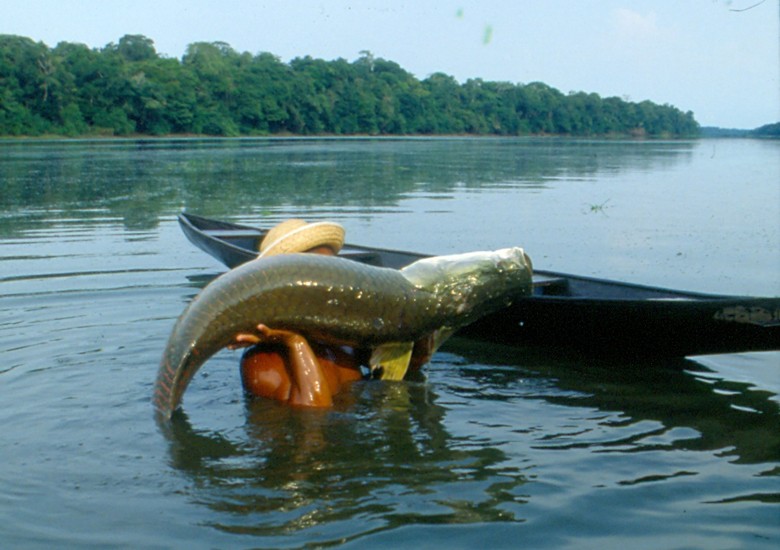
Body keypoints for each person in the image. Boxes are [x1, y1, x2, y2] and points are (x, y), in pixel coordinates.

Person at [234, 219, 367, 407]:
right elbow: (314, 417)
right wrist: (295, 342)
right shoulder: (261, 361)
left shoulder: (341, 336)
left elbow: (397, 371)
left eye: (332, 270)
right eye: (318, 273)